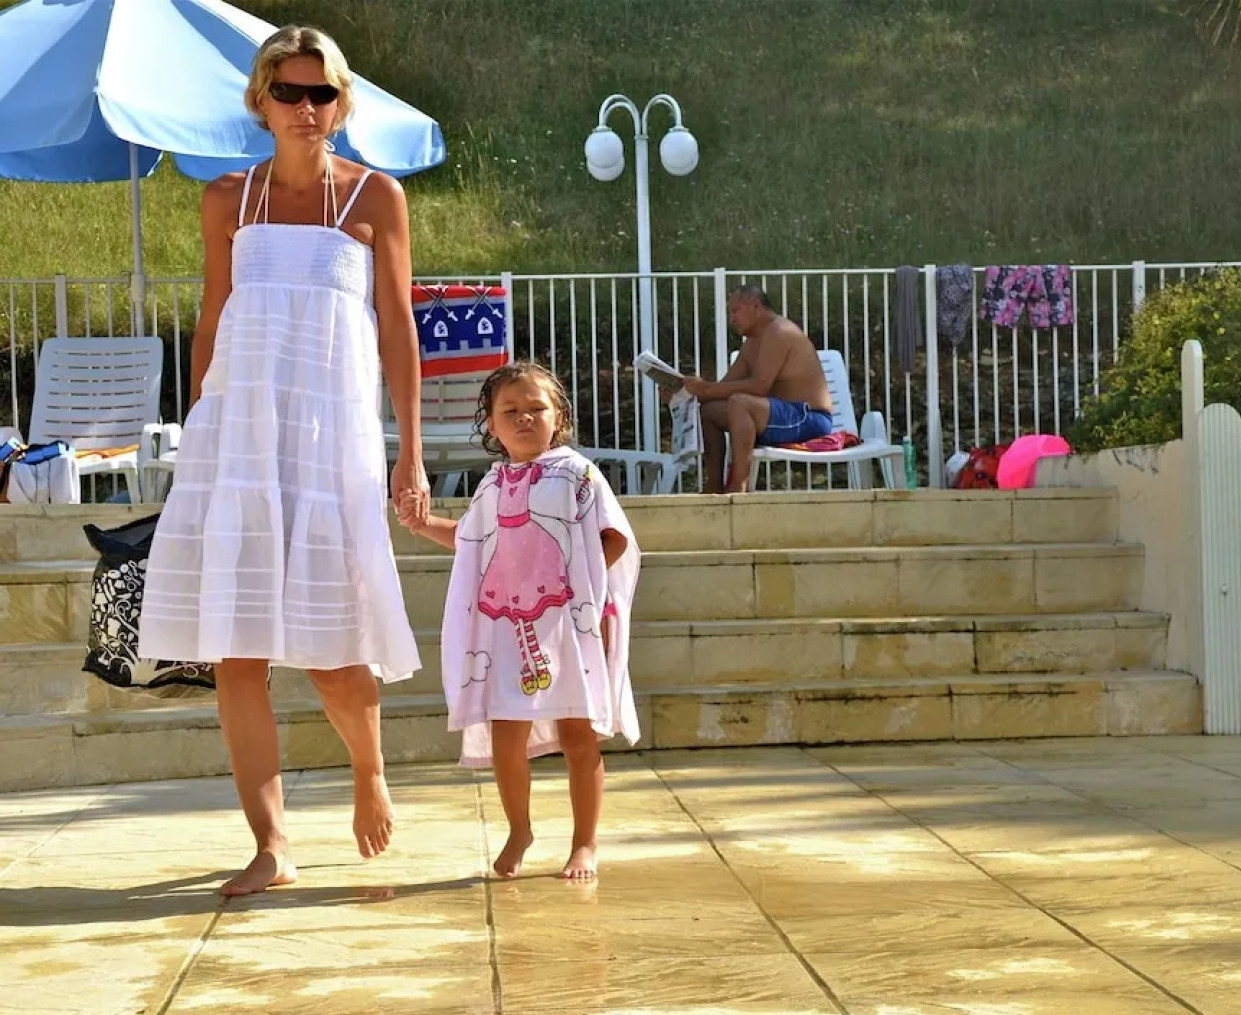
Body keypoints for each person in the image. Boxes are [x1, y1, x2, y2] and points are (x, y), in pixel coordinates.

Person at [136, 26, 429, 896]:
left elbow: (399, 327)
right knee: (236, 651)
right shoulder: (228, 198)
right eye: (291, 93)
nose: (308, 110)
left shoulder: (376, 198)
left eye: (323, 95)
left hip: (329, 437)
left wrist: (409, 455)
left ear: (342, 103)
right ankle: (271, 846)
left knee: (334, 644)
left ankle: (368, 768)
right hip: (238, 433)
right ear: (260, 99)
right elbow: (214, 313)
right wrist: (201, 425)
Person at [403, 364, 640, 881]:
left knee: (579, 736)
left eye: (537, 408)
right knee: (506, 735)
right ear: (491, 424)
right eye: (510, 411)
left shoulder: (577, 473)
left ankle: (585, 844)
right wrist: (422, 526)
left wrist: (585, 597)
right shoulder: (491, 485)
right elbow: (471, 540)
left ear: (560, 418)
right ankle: (520, 828)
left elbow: (615, 537)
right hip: (507, 631)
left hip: (567, 630)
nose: (525, 417)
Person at [684, 285, 835, 492]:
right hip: (777, 417)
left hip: (809, 418)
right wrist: (683, 393)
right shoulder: (751, 343)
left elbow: (759, 387)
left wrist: (707, 389)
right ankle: (714, 486)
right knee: (709, 412)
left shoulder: (779, 331)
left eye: (735, 311)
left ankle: (738, 486)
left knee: (740, 403)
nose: (732, 319)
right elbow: (720, 389)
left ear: (755, 305)